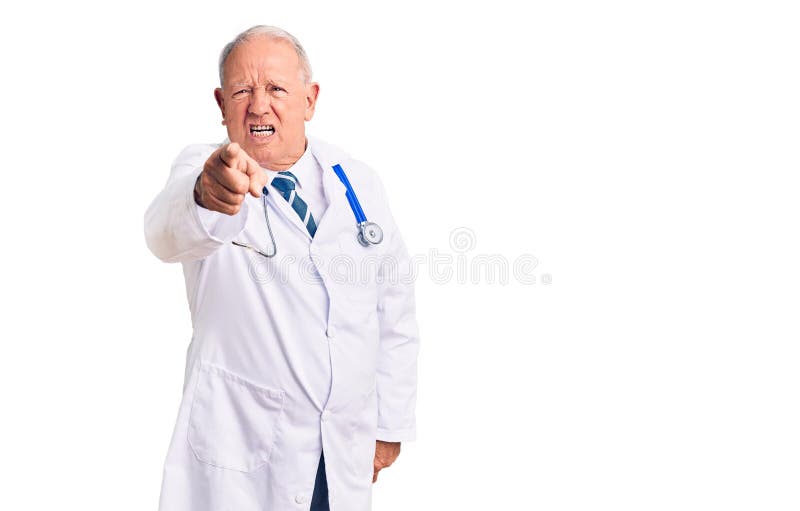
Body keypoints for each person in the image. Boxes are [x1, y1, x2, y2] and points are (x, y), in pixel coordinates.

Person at [144, 25, 420, 511]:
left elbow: (393, 311)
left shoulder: (358, 183)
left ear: (310, 100)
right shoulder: (202, 170)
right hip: (245, 459)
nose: (258, 105)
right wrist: (208, 193)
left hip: (341, 452)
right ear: (221, 103)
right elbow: (165, 232)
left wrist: (388, 425)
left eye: (276, 89)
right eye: (242, 90)